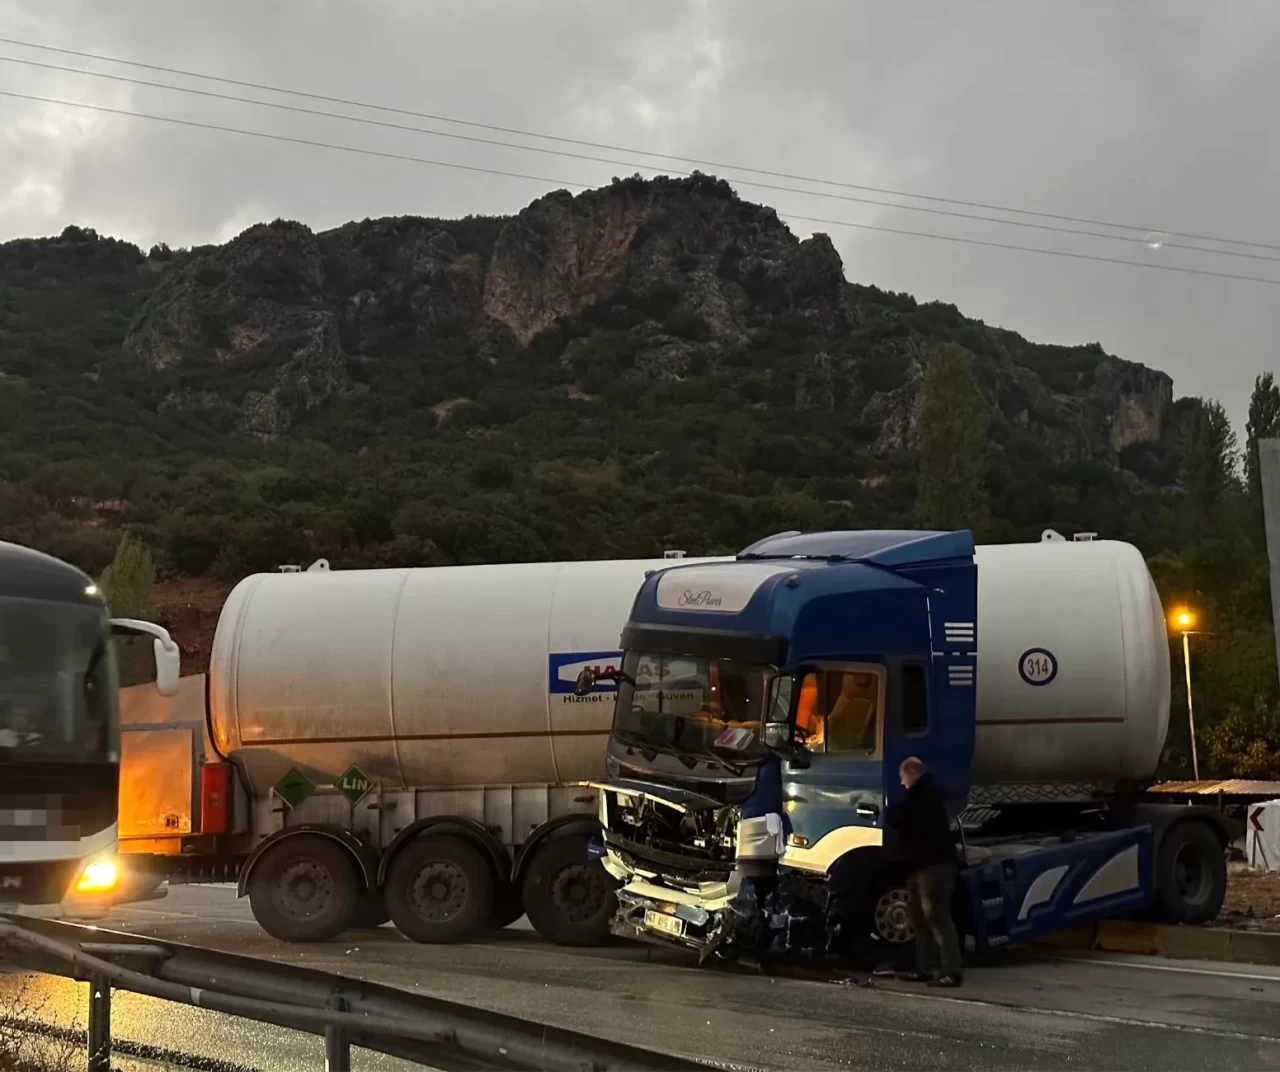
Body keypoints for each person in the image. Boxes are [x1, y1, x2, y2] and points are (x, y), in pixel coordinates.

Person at [885, 756, 963, 987]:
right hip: (922, 866)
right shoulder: (926, 794)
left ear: (912, 773)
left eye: (902, 777)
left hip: (933, 866)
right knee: (919, 917)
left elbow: (903, 818)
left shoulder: (923, 795)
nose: (901, 783)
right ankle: (925, 967)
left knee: (936, 917)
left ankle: (951, 971)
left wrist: (889, 812)